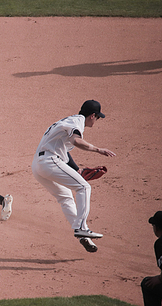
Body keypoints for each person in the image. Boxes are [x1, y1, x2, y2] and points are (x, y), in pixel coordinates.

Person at [31, 100, 116, 253]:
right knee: (84, 187)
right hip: (49, 161)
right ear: (92, 116)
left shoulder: (68, 120)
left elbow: (65, 149)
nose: (96, 120)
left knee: (65, 197)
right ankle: (82, 228)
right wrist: (98, 150)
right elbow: (76, 141)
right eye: (97, 117)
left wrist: (76, 170)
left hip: (38, 165)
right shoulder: (77, 122)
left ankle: (83, 236)